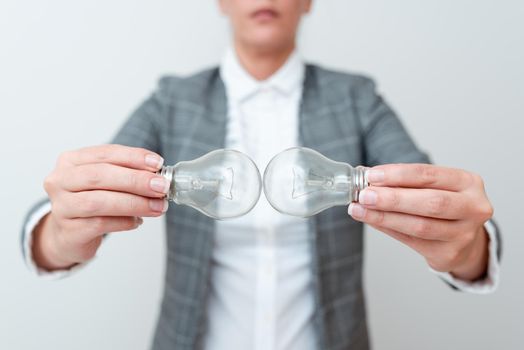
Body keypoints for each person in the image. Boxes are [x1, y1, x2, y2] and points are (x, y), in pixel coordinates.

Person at [21, 1, 500, 349]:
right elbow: (85, 197)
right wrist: (60, 233)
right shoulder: (172, 100)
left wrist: (467, 245)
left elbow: (439, 201)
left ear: (308, 2)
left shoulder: (356, 99)